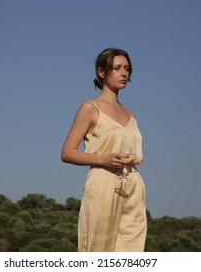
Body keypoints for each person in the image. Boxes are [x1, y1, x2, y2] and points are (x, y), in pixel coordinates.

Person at [61, 47, 147, 252]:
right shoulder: (90, 108)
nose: (124, 73)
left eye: (127, 68)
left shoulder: (131, 115)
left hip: (133, 185)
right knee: (99, 250)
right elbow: (67, 152)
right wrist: (103, 159)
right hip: (103, 182)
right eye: (117, 68)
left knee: (132, 252)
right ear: (102, 72)